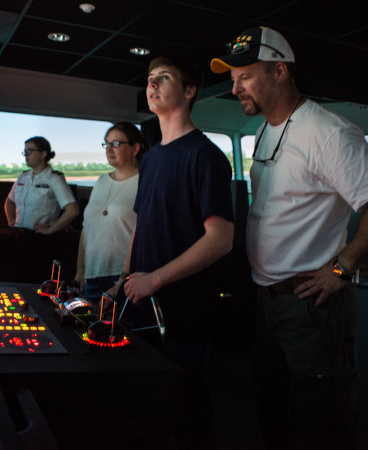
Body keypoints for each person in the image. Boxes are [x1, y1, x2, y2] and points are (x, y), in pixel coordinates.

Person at [210, 26, 368, 449]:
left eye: (244, 76)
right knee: (275, 413)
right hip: (269, 302)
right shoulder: (266, 131)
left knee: (322, 426)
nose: (234, 88)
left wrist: (343, 267)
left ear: (280, 71)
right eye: (232, 78)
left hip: (312, 307)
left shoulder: (327, 133)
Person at [119, 54, 235, 450]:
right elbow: (141, 224)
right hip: (141, 303)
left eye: (163, 78)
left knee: (189, 414)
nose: (151, 85)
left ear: (188, 91)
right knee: (147, 408)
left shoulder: (206, 157)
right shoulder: (149, 159)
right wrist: (125, 279)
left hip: (183, 310)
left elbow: (220, 238)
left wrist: (156, 279)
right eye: (150, 79)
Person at [75, 122, 147, 305]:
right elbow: (87, 228)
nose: (109, 149)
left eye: (116, 144)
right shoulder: (100, 181)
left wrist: (123, 280)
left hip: (121, 278)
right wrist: (80, 269)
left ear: (135, 148)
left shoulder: (145, 183)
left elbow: (143, 234)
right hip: (92, 274)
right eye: (106, 143)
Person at [4, 136, 79, 281]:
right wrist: (11, 219)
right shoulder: (23, 178)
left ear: (43, 154)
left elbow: (73, 210)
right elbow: (9, 201)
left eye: (30, 151)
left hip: (41, 242)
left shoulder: (54, 179)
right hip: (19, 239)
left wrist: (51, 229)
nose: (26, 155)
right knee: (17, 281)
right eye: (24, 151)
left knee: (36, 284)